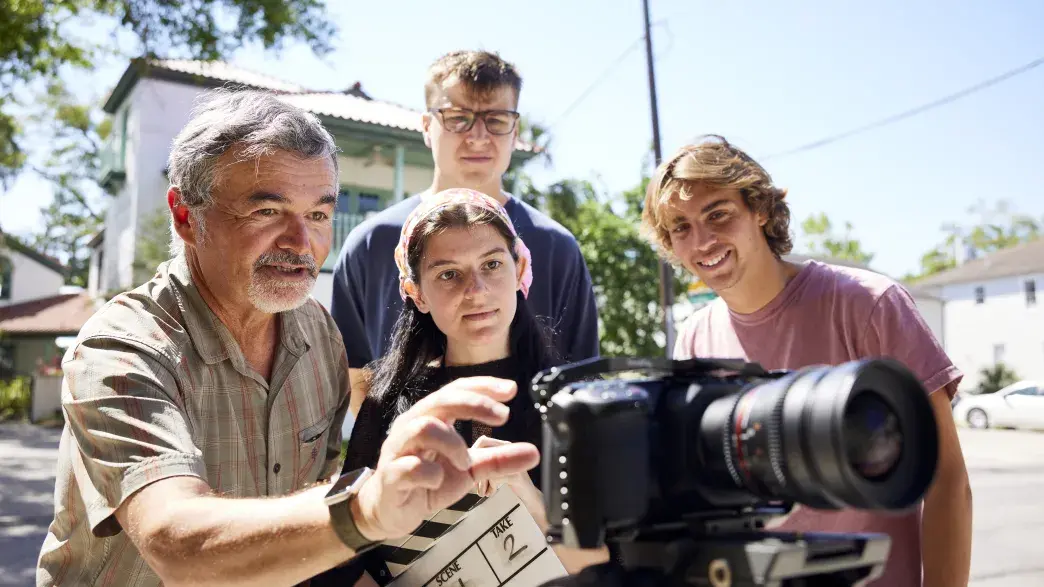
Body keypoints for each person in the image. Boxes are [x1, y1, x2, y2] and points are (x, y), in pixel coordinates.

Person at [35, 90, 539, 587]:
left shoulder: (320, 336)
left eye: (319, 215)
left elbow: (308, 516)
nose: (302, 244)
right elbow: (176, 544)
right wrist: (365, 508)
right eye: (267, 212)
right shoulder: (123, 349)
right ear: (186, 216)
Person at [638, 135, 973, 587]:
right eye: (680, 227)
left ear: (758, 208)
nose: (702, 241)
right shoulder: (695, 337)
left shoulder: (869, 304)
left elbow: (947, 480)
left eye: (718, 214)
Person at [313, 188, 608, 586]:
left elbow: (610, 567)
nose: (476, 290)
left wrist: (528, 497)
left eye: (491, 264)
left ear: (520, 270)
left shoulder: (574, 405)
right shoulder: (388, 405)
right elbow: (347, 565)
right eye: (448, 274)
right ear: (416, 292)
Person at [330, 50, 600, 416]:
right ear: (427, 126)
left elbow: (580, 380)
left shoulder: (557, 247)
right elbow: (358, 372)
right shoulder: (370, 242)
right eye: (458, 118)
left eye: (497, 120)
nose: (477, 136)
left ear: (515, 131)